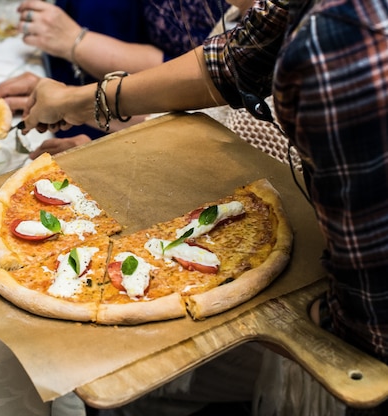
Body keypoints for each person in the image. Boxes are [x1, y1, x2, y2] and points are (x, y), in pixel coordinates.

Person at [21, 0, 388, 414]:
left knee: (107, 383)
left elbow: (369, 329)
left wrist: (234, 310)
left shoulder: (338, 45)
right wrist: (77, 101)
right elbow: (229, 63)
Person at [0, 0, 234, 158]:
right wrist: (71, 102)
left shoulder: (251, 36)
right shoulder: (235, 22)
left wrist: (75, 44)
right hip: (129, 131)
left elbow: (213, 145)